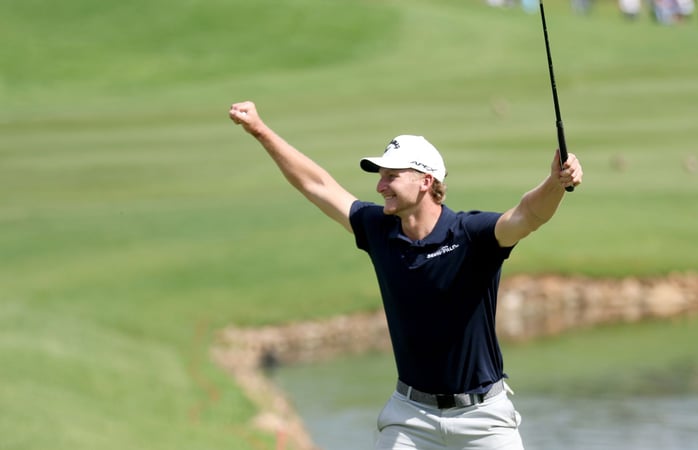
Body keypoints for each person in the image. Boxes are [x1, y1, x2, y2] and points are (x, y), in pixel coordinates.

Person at [228, 100, 583, 450]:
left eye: (391, 177)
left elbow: (526, 216)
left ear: (426, 181)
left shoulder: (471, 234)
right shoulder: (379, 229)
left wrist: (555, 183)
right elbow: (316, 185)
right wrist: (260, 130)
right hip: (411, 417)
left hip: (484, 419)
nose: (381, 186)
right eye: (381, 177)